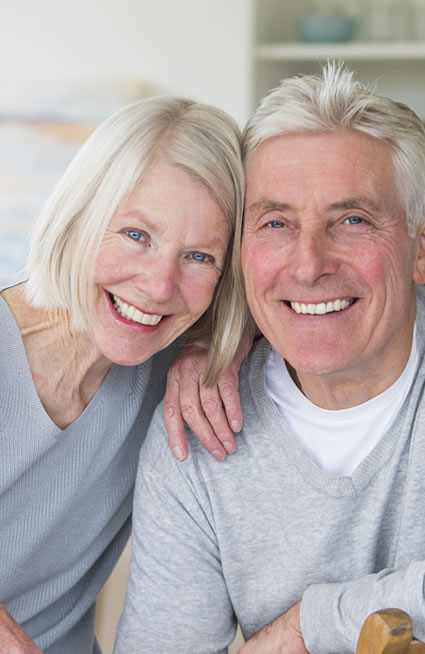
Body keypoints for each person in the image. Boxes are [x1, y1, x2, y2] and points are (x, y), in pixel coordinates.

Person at [113, 62, 425, 654]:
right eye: (276, 223)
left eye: (352, 220)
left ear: (420, 248)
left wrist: (313, 622)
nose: (308, 265)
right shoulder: (197, 436)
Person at [0, 95, 248, 653]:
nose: (159, 286)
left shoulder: (170, 370)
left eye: (199, 257)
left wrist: (218, 342)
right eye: (137, 235)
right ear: (80, 216)